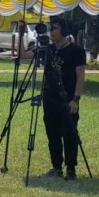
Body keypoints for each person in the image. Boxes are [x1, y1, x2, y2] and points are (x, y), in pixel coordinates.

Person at [41, 17, 87, 180]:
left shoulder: (77, 52)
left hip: (67, 99)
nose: (51, 32)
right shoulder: (49, 50)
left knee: (69, 134)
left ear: (64, 31)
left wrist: (76, 99)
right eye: (50, 28)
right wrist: (21, 32)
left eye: (54, 28)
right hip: (49, 98)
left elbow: (80, 76)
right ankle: (56, 167)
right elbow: (22, 55)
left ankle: (71, 169)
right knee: (52, 134)